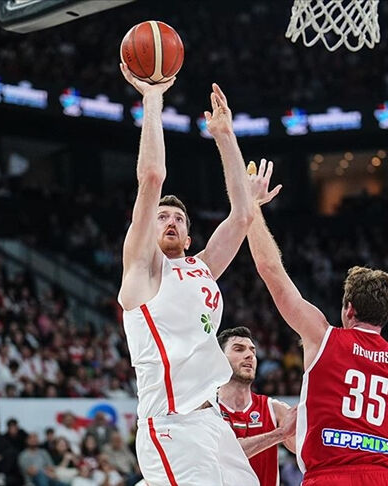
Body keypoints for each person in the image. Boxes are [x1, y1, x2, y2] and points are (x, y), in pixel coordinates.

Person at [247, 161, 388, 486]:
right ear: (386, 315)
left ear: (348, 309)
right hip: (384, 478)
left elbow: (270, 268)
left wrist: (252, 206)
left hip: (328, 476)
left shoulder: (322, 338)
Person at [116, 62, 259, 486]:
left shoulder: (201, 268)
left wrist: (226, 136)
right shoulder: (142, 270)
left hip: (210, 421)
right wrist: (152, 98)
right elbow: (151, 176)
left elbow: (243, 215)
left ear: (189, 237)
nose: (171, 221)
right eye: (162, 216)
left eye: (178, 218)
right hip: (170, 425)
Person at [216, 326, 297, 486]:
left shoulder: (274, 409)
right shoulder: (206, 407)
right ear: (219, 358)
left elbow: (305, 451)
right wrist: (279, 434)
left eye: (252, 351)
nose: (250, 355)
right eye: (239, 349)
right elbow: (226, 453)